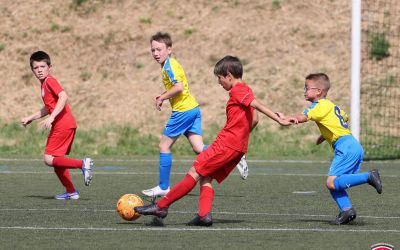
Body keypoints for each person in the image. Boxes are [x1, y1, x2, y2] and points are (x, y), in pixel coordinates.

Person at [135, 55, 293, 226]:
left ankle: (162, 206)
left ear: (229, 76)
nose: (219, 82)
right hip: (238, 148)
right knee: (206, 176)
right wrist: (241, 137)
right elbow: (255, 119)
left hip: (226, 143)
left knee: (195, 171)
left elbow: (257, 105)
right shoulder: (247, 90)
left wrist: (279, 119)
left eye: (220, 78)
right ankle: (204, 215)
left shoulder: (239, 90)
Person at [142, 32, 249, 197]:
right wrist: (164, 94)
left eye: (159, 49)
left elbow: (179, 88)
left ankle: (163, 186)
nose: (156, 53)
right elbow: (178, 87)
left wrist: (163, 96)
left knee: (164, 146)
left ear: (169, 49)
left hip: (183, 111)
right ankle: (235, 160)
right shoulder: (169, 65)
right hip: (193, 109)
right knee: (198, 148)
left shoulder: (170, 65)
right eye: (153, 50)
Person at [281, 73, 382, 225]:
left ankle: (368, 176)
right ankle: (347, 210)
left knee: (331, 182)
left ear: (319, 91)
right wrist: (325, 135)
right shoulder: (331, 105)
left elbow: (302, 117)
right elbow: (343, 119)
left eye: (307, 88)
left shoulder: (318, 106)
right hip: (352, 145)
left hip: (345, 147)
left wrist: (288, 118)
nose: (304, 91)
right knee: (335, 183)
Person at [21, 51, 93, 200]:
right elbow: (48, 107)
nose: (39, 70)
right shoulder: (44, 85)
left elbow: (63, 96)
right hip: (65, 124)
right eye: (36, 67)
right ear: (32, 70)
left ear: (49, 67)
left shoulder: (49, 81)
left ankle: (82, 164)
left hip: (63, 124)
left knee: (48, 159)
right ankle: (71, 191)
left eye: (42, 66)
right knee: (57, 161)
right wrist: (31, 117)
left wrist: (52, 118)